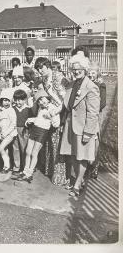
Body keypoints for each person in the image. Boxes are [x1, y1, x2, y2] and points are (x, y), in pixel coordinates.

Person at [60, 54, 100, 197]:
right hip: (70, 125)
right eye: (74, 69)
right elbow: (67, 105)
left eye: (79, 69)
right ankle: (80, 179)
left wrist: (88, 132)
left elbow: (93, 113)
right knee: (73, 155)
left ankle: (77, 184)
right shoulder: (72, 84)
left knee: (81, 156)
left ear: (85, 69)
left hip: (83, 127)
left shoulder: (91, 87)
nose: (76, 71)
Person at [34, 57, 67, 186]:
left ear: (47, 66)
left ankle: (60, 175)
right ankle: (50, 170)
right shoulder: (44, 79)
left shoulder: (57, 77)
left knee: (58, 144)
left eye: (41, 68)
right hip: (50, 112)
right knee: (50, 143)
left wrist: (55, 112)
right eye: (37, 69)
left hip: (60, 113)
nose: (39, 71)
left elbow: (65, 100)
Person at [17, 89, 60, 183]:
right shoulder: (40, 107)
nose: (41, 102)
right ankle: (25, 171)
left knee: (34, 153)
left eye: (42, 99)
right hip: (35, 129)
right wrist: (31, 119)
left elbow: (56, 124)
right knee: (28, 151)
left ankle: (29, 173)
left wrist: (51, 116)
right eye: (39, 100)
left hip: (42, 132)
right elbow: (39, 119)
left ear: (47, 98)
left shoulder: (53, 108)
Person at [0, 88, 17, 181]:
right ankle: (6, 165)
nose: (6, 103)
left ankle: (7, 166)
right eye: (4, 100)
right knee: (5, 149)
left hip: (10, 133)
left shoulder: (11, 110)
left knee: (1, 148)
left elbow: (13, 124)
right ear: (1, 101)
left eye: (8, 101)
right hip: (2, 133)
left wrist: (5, 133)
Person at [11, 89, 32, 175]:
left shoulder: (28, 109)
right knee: (15, 148)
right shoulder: (13, 109)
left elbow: (31, 120)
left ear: (24, 100)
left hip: (24, 131)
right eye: (16, 100)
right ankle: (17, 166)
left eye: (20, 100)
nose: (18, 102)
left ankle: (25, 166)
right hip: (15, 129)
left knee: (24, 148)